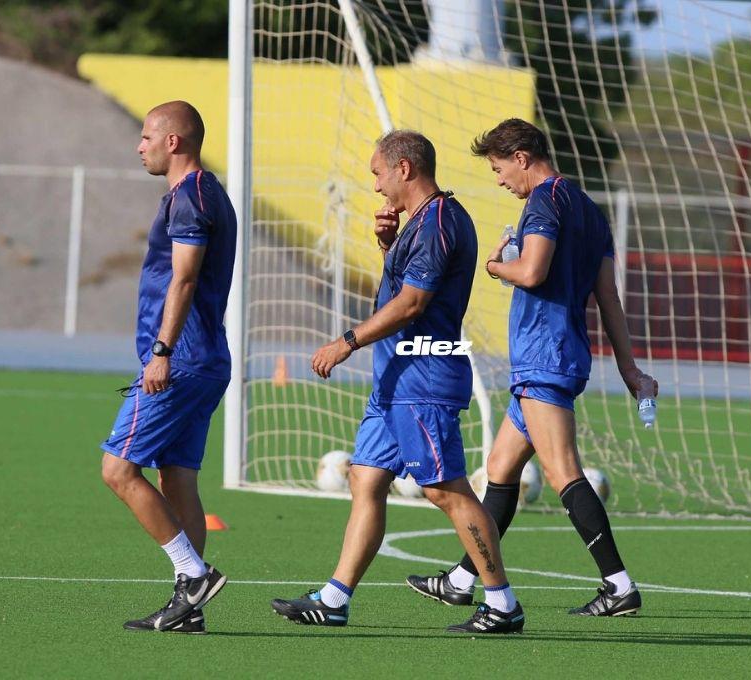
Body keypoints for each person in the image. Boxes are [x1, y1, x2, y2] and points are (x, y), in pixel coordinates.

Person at [271, 130, 525, 634]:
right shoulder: (420, 225)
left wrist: (347, 341)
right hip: (395, 379)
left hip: (422, 378)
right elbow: (404, 287)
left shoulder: (437, 224)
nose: (376, 186)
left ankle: (501, 603)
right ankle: (335, 597)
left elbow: (413, 304)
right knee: (365, 478)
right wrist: (388, 246)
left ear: (404, 169)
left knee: (445, 490)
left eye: (378, 174)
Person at [406, 118, 657, 617]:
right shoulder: (589, 208)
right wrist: (630, 368)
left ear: (522, 157)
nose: (499, 180)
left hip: (545, 355)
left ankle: (620, 585)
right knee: (500, 471)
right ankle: (460, 579)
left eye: (500, 169)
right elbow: (608, 297)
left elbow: (533, 271)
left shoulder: (543, 201)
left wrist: (497, 265)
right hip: (555, 356)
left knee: (564, 472)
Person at [100, 100, 236, 634]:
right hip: (202, 359)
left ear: (173, 141)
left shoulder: (191, 196)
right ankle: (188, 610)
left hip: (182, 359)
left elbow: (183, 278)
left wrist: (161, 351)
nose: (140, 146)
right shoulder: (203, 192)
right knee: (177, 478)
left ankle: (192, 574)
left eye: (146, 137)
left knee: (117, 468)